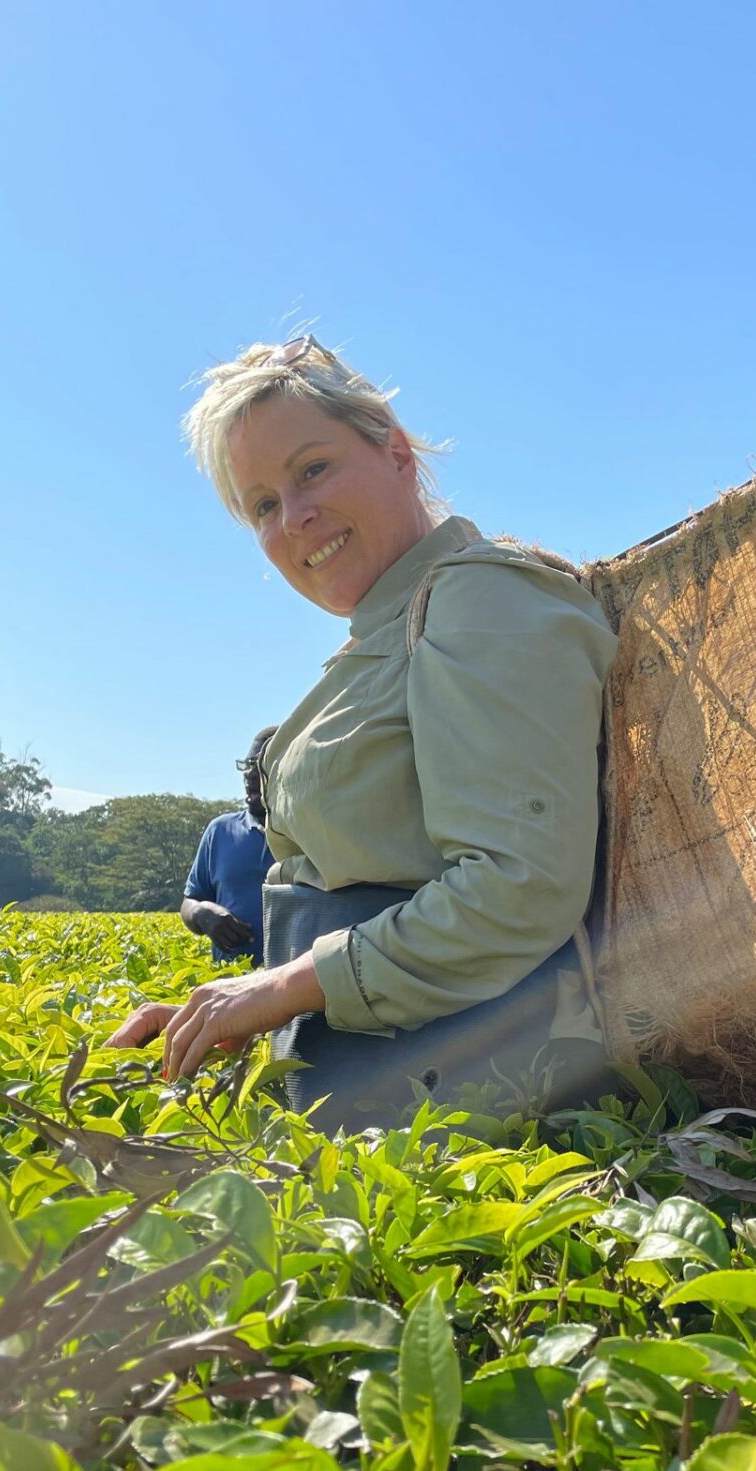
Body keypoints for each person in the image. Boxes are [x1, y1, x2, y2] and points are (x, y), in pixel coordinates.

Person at [107, 335, 620, 1131]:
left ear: (395, 451)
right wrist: (242, 1008)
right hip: (378, 1082)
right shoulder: (387, 628)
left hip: (472, 1114)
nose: (296, 517)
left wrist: (281, 989)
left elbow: (518, 889)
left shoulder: (479, 600)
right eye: (264, 506)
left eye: (312, 469)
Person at [180, 729, 275, 964]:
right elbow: (189, 901)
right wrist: (201, 913)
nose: (250, 774)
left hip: (296, 991)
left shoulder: (312, 833)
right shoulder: (220, 831)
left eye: (261, 764)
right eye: (247, 764)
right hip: (230, 986)